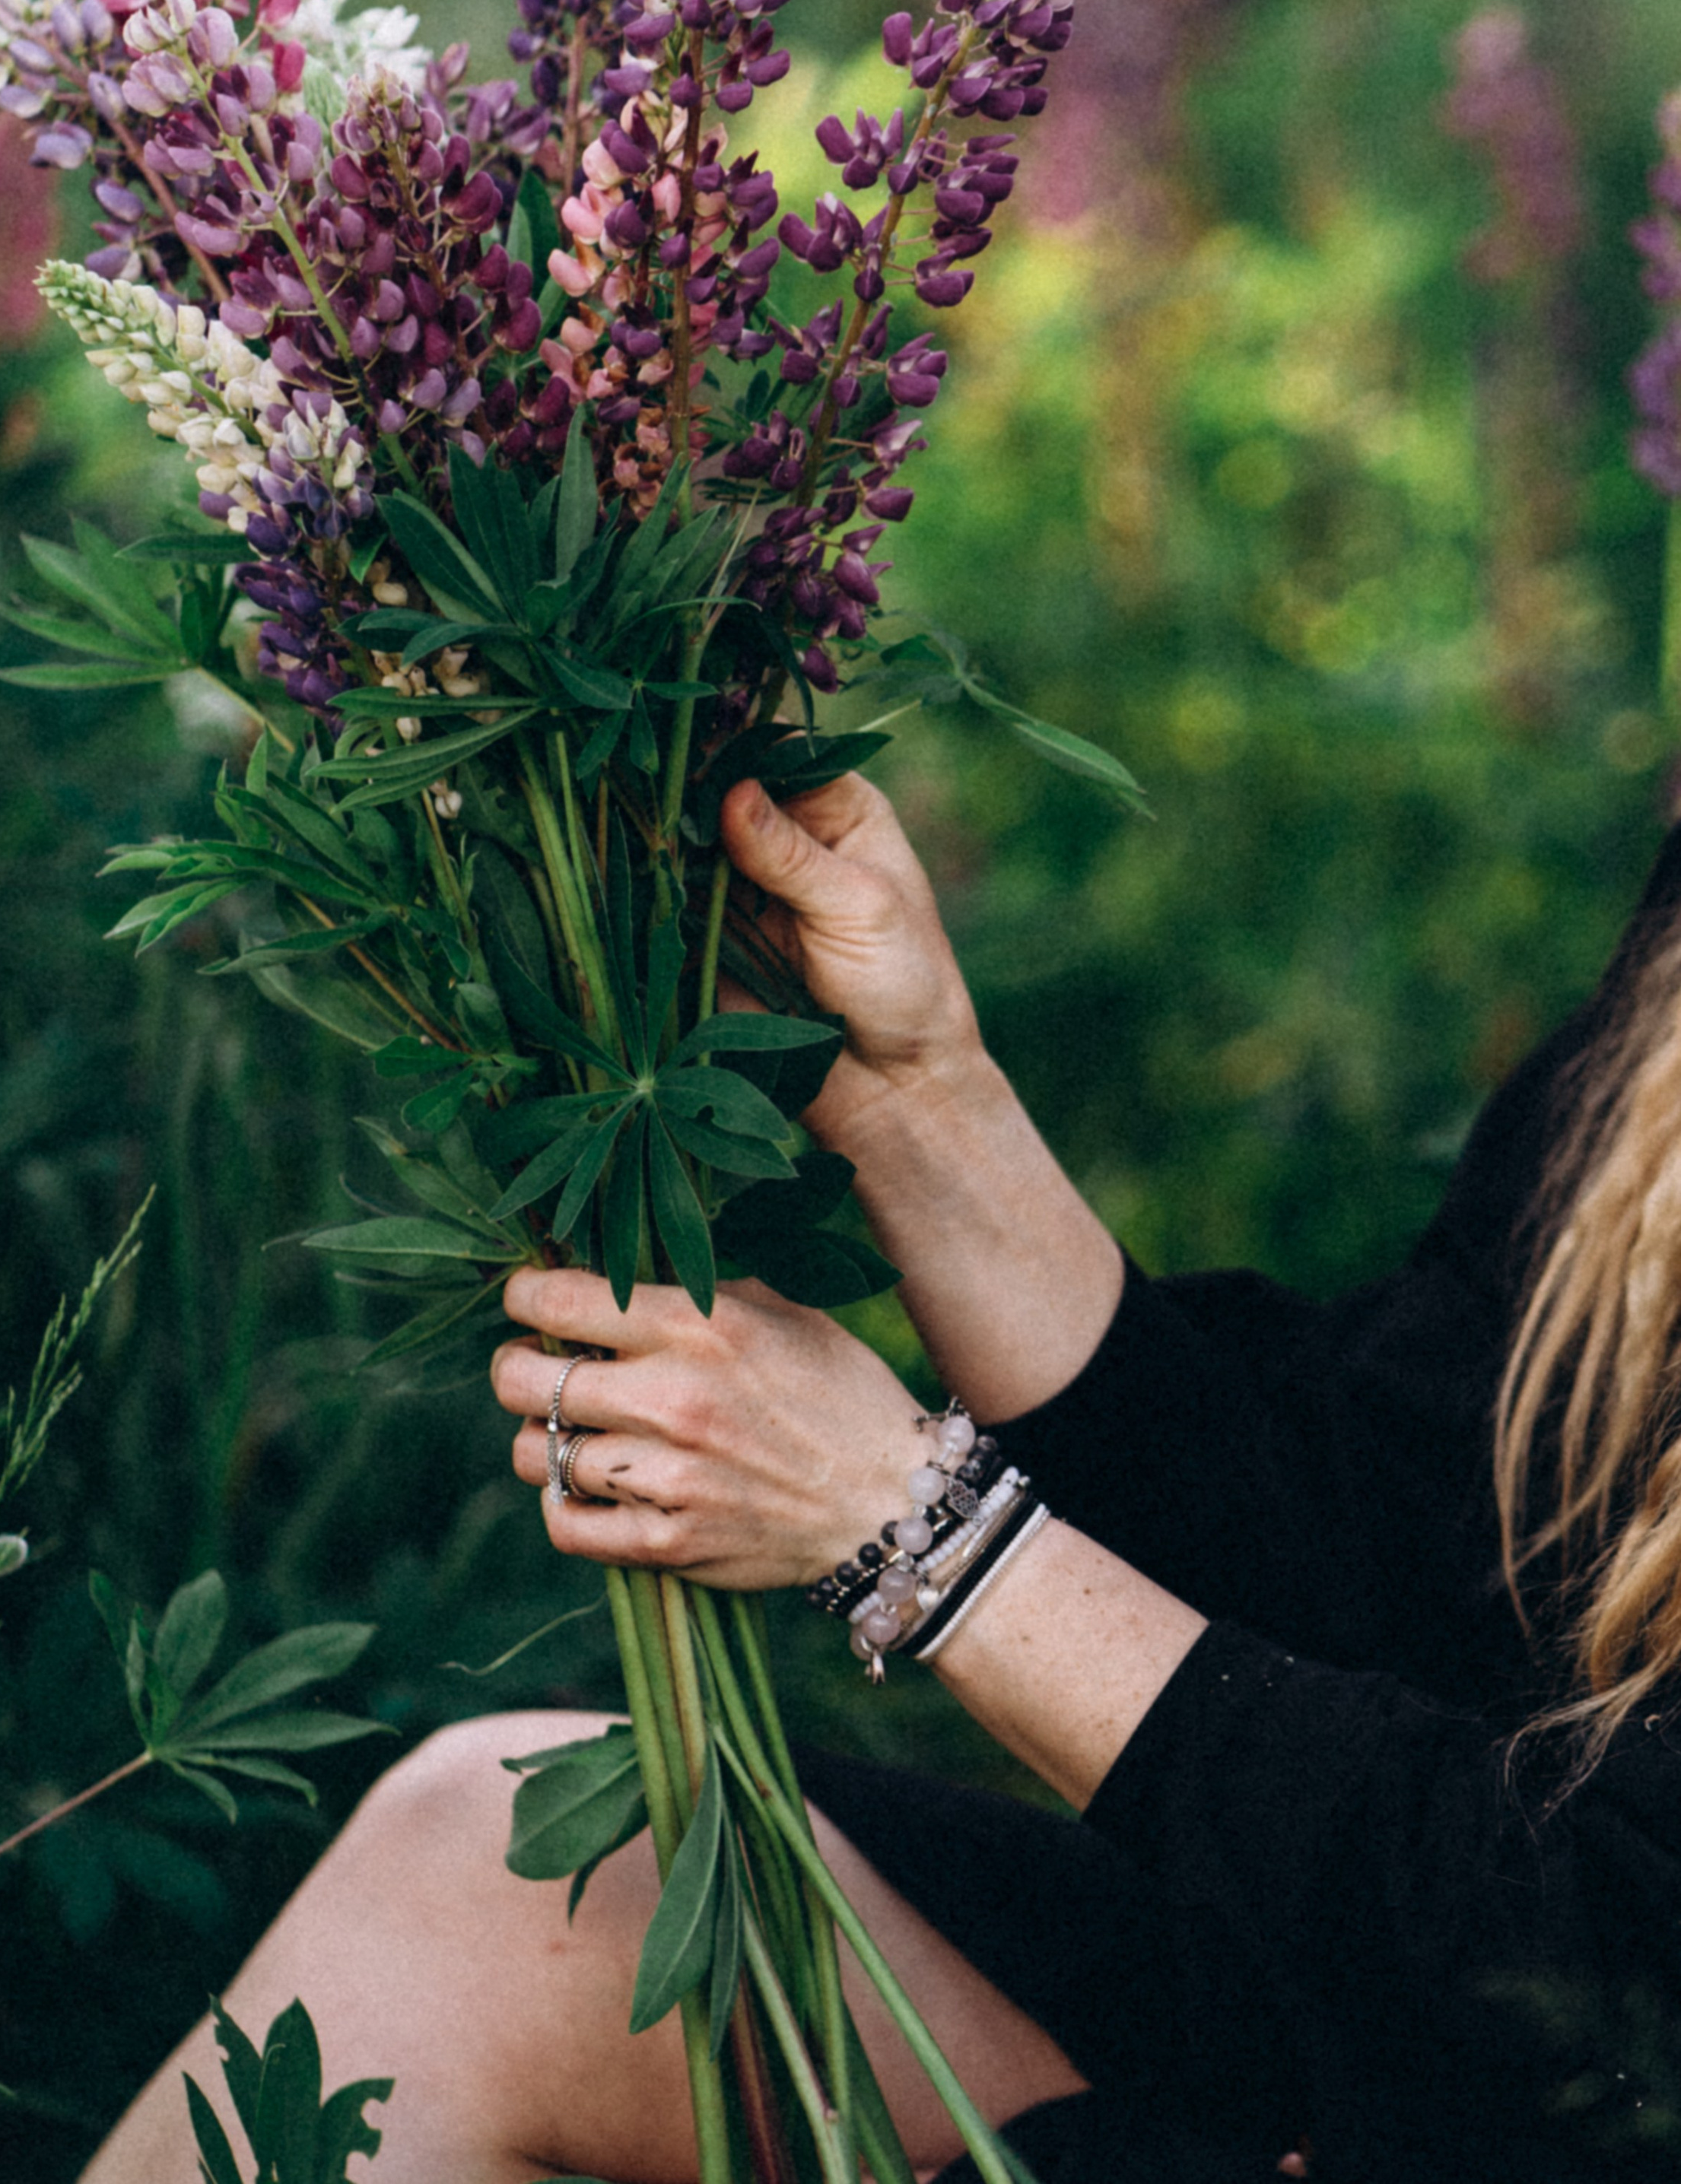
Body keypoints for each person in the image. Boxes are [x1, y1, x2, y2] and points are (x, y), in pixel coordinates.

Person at [83, 773, 1681, 2184]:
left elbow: (1606, 1991)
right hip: (1380, 2001)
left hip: (1516, 2089)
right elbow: (1398, 1540)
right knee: (486, 1872)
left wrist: (918, 1537)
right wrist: (913, 1109)